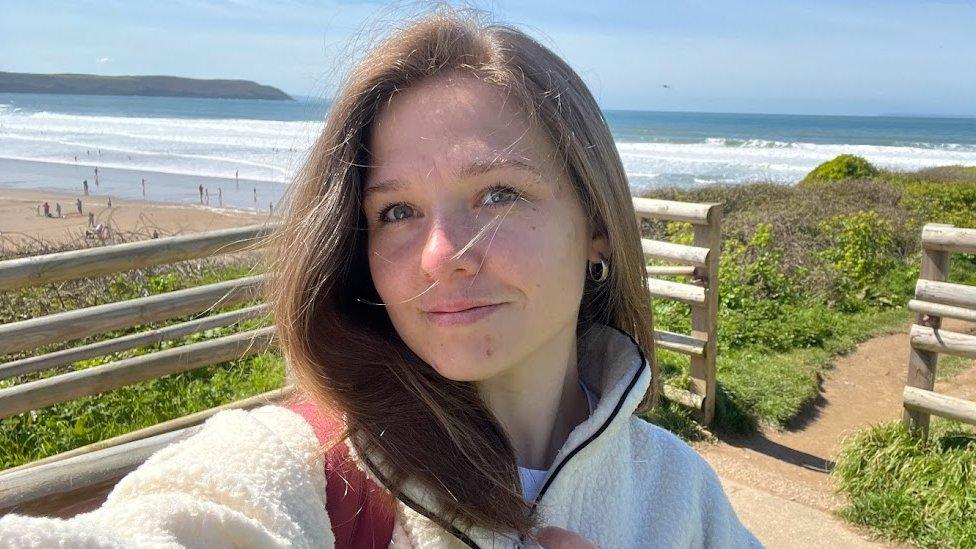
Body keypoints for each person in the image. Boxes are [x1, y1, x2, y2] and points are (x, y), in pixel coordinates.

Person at [0, 10, 760, 548]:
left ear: (596, 222)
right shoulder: (299, 472)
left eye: (499, 192)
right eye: (396, 211)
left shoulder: (676, 493)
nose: (441, 254)